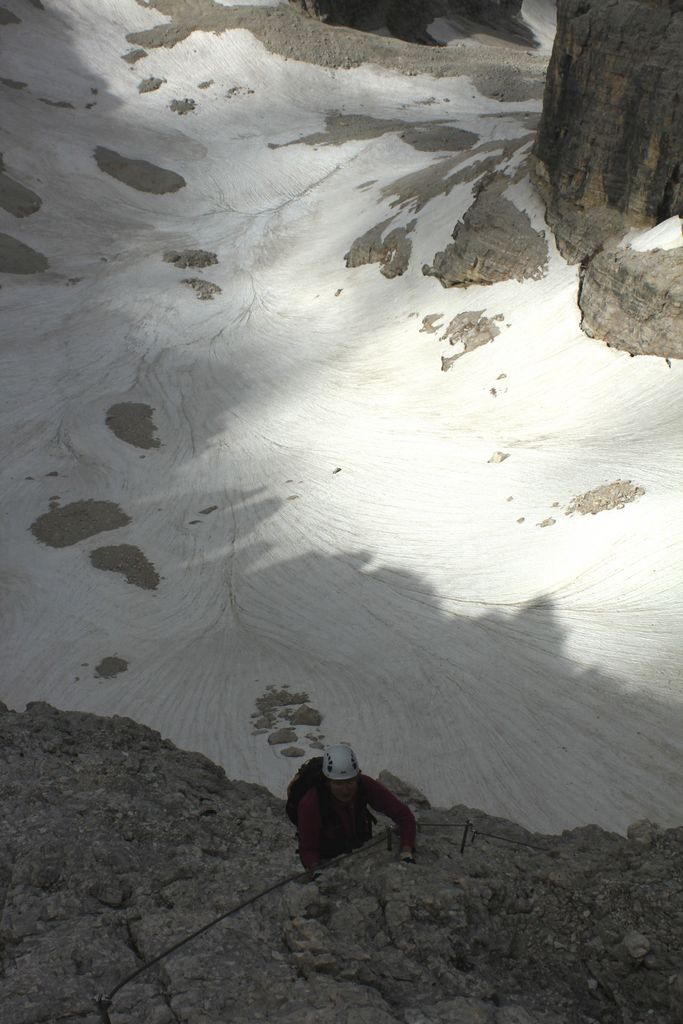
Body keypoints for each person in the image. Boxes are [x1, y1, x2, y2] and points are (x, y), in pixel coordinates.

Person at [296, 743, 417, 873]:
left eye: (350, 781)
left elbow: (404, 816)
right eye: (338, 783)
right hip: (330, 860)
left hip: (362, 851)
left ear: (357, 777)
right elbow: (308, 848)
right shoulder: (312, 803)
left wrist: (406, 850)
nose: (345, 790)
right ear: (328, 782)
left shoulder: (365, 785)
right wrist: (316, 870)